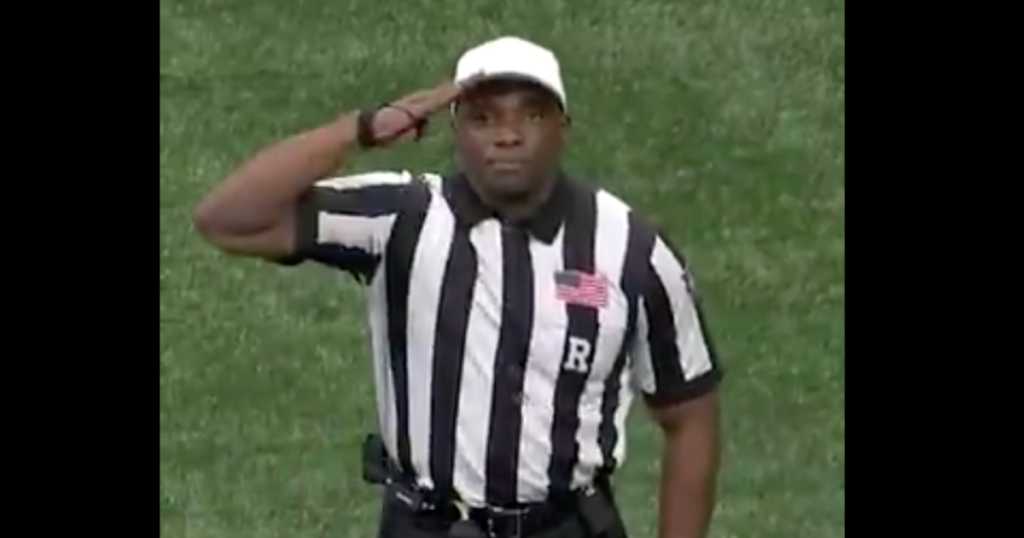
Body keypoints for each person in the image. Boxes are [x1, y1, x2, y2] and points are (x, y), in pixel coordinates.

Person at [193, 35, 723, 538]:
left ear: (564, 126)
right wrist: (361, 129)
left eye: (531, 115)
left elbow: (690, 416)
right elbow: (226, 219)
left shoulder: (634, 250)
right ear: (455, 129)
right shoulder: (402, 217)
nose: (507, 135)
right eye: (482, 117)